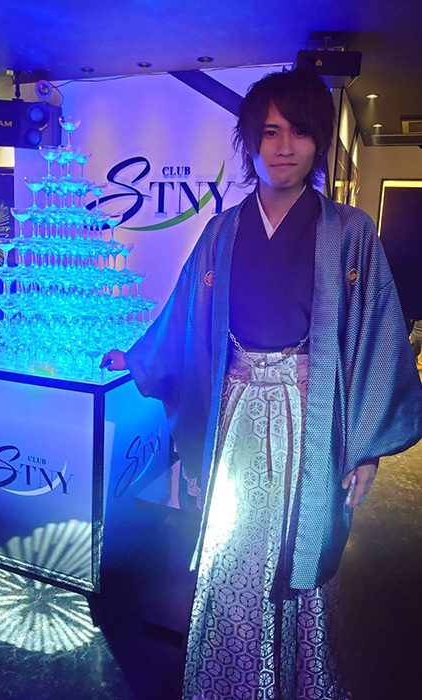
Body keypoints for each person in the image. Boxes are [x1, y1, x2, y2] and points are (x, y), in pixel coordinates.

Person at [101, 69, 422, 700]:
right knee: (228, 545)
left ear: (319, 141)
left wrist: (365, 451)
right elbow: (184, 316)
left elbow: (376, 336)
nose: (284, 147)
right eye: (270, 132)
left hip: (310, 416)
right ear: (249, 140)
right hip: (236, 414)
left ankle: (300, 683)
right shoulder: (221, 232)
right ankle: (225, 680)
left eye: (300, 132)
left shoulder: (350, 231)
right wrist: (139, 357)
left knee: (299, 552)